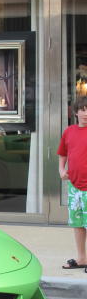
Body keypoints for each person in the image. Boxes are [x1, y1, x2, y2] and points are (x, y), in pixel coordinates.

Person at [58, 96, 87, 270]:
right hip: (74, 187)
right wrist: (61, 170)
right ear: (75, 112)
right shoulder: (69, 131)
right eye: (82, 109)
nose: (86, 113)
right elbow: (62, 153)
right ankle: (82, 258)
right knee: (77, 225)